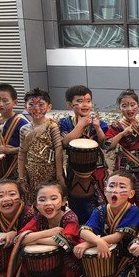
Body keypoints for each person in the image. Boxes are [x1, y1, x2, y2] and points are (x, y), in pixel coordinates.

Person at [73, 171, 139, 277]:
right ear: (105, 191)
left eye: (122, 187)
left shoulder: (133, 211)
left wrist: (89, 243)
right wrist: (98, 242)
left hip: (127, 257)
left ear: (131, 194)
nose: (115, 190)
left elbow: (118, 237)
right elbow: (83, 231)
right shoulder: (100, 210)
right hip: (104, 254)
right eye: (111, 186)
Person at [8, 182, 82, 277]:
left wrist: (35, 240)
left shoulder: (70, 217)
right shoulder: (39, 217)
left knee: (69, 267)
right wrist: (49, 233)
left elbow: (64, 241)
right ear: (36, 205)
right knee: (25, 260)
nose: (48, 203)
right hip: (48, 254)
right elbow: (19, 238)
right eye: (42, 200)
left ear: (63, 201)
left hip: (69, 253)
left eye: (53, 198)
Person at [59, 85, 109, 225]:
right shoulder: (65, 123)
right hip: (75, 168)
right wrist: (80, 125)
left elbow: (104, 144)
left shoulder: (98, 122)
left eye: (88, 101)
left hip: (97, 168)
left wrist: (97, 127)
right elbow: (65, 143)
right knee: (77, 202)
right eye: (80, 101)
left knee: (99, 201)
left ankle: (99, 228)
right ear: (70, 104)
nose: (85, 104)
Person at [104, 89, 139, 217]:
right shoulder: (116, 126)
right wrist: (122, 134)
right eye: (124, 105)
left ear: (138, 106)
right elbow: (108, 145)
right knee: (123, 200)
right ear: (120, 109)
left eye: (133, 105)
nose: (129, 109)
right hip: (124, 169)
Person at [18, 88, 64, 203]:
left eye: (41, 104)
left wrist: (59, 176)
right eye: (31, 104)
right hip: (31, 174)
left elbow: (58, 150)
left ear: (49, 107)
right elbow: (22, 153)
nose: (36, 108)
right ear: (25, 107)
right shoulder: (24, 129)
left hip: (50, 173)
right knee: (34, 202)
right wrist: (21, 178)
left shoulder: (52, 126)